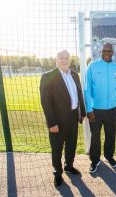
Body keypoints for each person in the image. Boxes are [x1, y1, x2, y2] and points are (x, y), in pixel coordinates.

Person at [40, 50, 86, 186]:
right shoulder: (47, 76)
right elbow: (45, 102)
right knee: (57, 148)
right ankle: (57, 173)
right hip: (57, 120)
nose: (64, 60)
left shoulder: (74, 74)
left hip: (73, 117)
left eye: (66, 58)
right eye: (61, 58)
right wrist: (51, 123)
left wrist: (82, 113)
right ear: (56, 60)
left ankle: (68, 166)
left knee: (71, 145)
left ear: (70, 60)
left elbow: (79, 94)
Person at [85, 43, 116, 173]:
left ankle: (109, 156)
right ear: (100, 52)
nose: (106, 53)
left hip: (112, 109)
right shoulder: (92, 66)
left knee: (110, 135)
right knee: (95, 137)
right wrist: (89, 109)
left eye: (109, 51)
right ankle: (94, 160)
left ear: (112, 52)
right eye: (104, 51)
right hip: (95, 110)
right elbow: (87, 89)